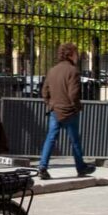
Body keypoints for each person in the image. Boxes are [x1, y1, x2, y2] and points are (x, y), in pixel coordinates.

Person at [37, 43, 97, 180]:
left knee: (50, 138)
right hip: (69, 111)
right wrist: (76, 107)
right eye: (76, 53)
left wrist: (50, 104)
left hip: (55, 110)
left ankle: (42, 166)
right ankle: (81, 167)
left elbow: (44, 91)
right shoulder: (73, 71)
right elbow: (73, 94)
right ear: (70, 54)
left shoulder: (52, 70)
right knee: (74, 140)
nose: (77, 56)